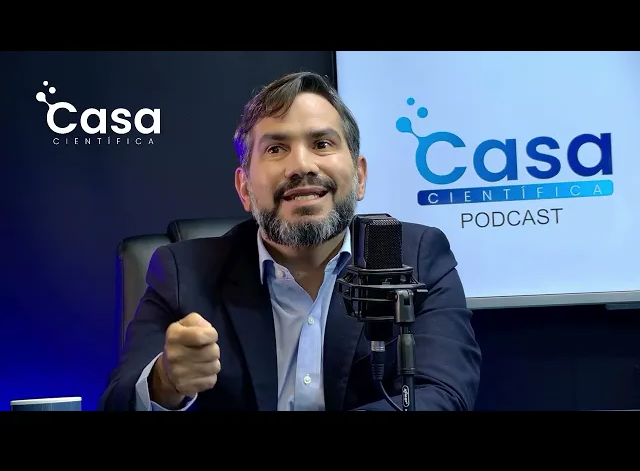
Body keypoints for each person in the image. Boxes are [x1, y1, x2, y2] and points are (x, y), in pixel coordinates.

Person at [98, 71, 482, 411]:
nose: (301, 165)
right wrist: (165, 381)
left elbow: (443, 394)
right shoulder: (185, 273)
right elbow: (118, 401)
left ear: (360, 177)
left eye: (322, 144)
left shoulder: (416, 256)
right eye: (276, 149)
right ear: (244, 188)